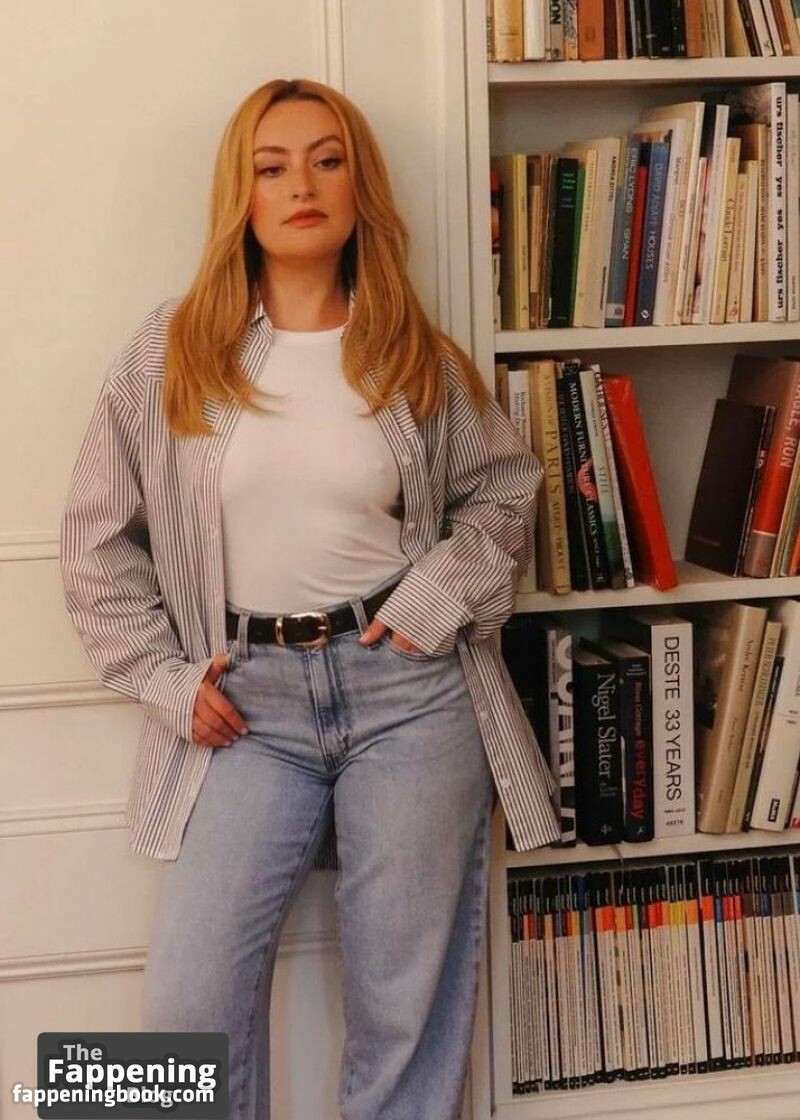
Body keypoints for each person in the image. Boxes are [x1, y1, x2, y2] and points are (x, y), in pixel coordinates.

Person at [59, 77, 559, 1120]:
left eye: (327, 161)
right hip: (248, 706)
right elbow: (97, 543)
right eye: (272, 166)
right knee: (186, 1002)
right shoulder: (170, 352)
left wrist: (432, 597)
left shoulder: (410, 352)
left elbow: (505, 489)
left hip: (410, 699)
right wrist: (164, 680)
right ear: (239, 195)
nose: (302, 186)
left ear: (357, 186)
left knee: (403, 1011)